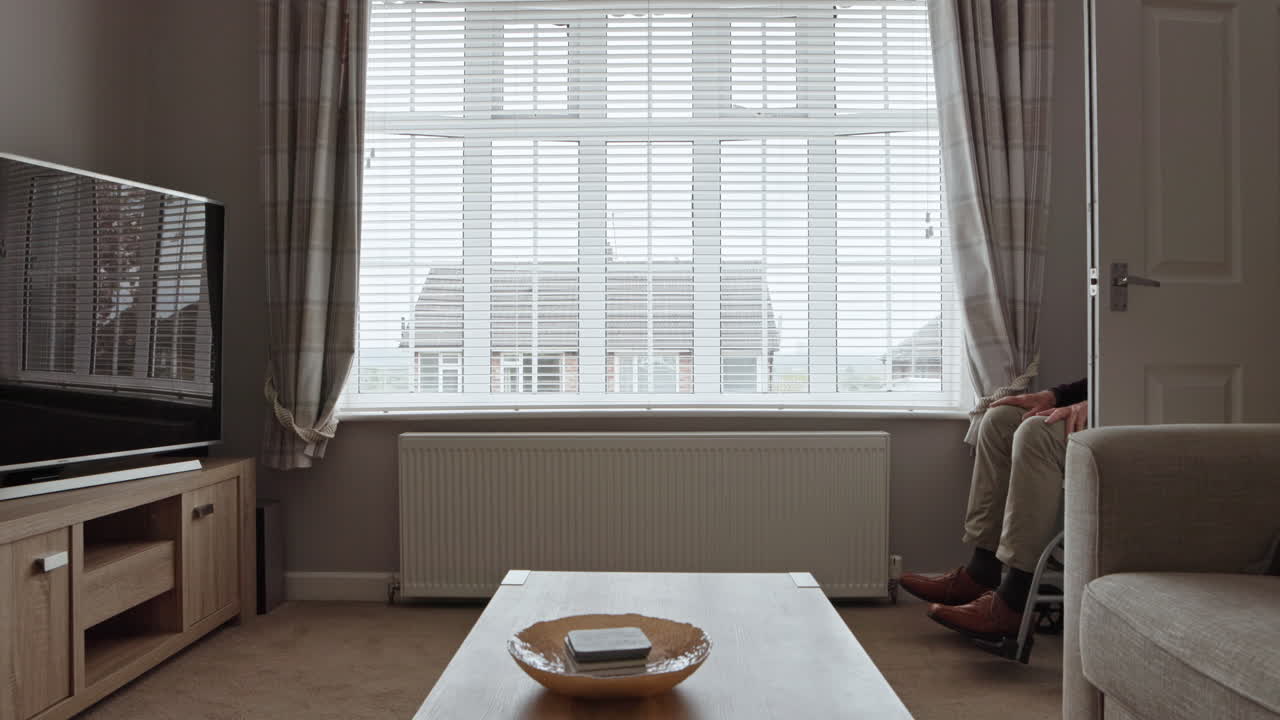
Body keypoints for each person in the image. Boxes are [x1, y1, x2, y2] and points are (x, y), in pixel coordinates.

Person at [898, 378, 1089, 640]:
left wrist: (1095, 404)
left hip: (1126, 411)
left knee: (1036, 432)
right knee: (998, 419)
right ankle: (981, 572)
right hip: (1105, 399)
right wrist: (1055, 394)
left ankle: (1013, 602)